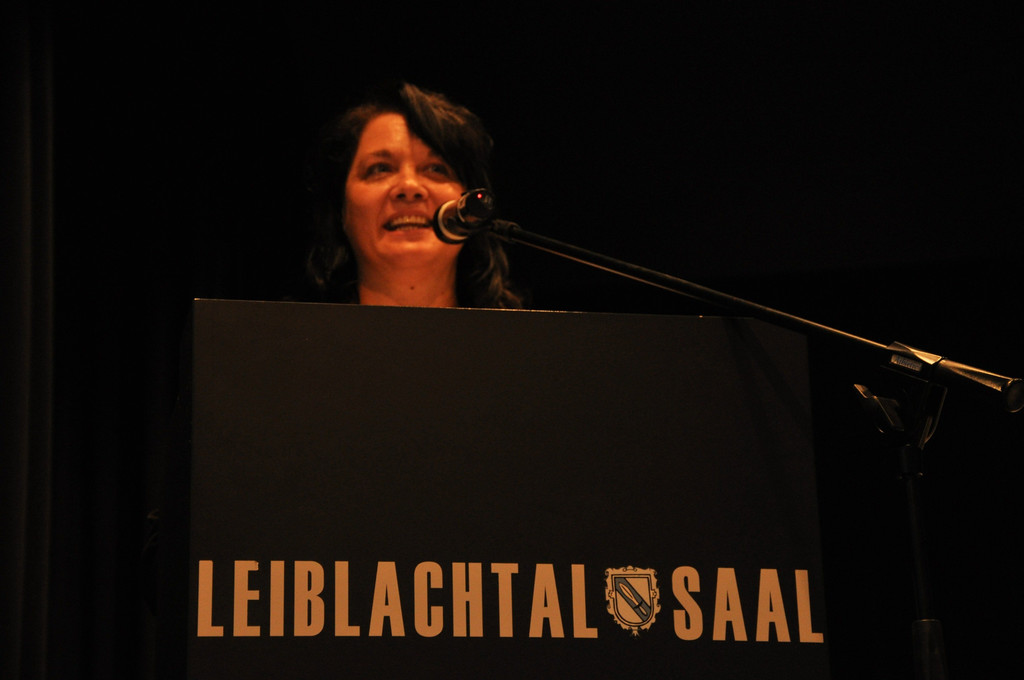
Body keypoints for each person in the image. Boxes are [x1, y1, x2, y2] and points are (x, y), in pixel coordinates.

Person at [303, 81, 525, 309]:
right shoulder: (291, 330)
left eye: (436, 168)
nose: (409, 187)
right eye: (380, 169)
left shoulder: (523, 332)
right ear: (340, 208)